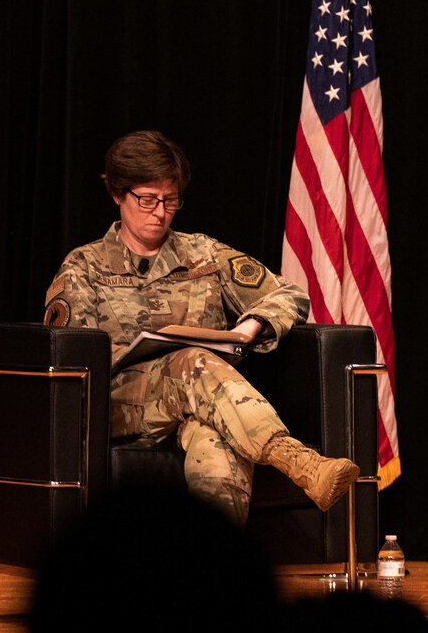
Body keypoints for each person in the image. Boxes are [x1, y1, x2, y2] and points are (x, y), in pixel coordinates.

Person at [43, 130, 358, 523]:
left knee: (218, 440)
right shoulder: (83, 268)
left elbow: (289, 294)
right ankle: (297, 461)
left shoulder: (203, 254)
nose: (159, 212)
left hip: (202, 401)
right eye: (146, 199)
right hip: (118, 406)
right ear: (117, 195)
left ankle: (210, 570)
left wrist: (252, 324)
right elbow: (73, 362)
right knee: (192, 362)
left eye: (169, 200)